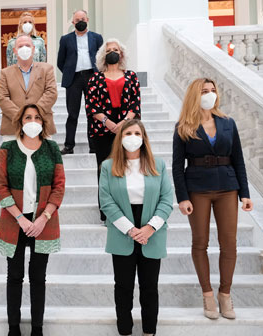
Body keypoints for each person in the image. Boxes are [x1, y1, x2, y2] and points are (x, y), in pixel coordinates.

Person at [172, 78, 254, 320]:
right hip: (197, 188)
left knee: (229, 243)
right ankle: (207, 295)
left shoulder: (228, 123)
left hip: (228, 187)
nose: (209, 94)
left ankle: (225, 295)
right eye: (204, 91)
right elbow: (178, 166)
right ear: (194, 96)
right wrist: (182, 197)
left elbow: (238, 159)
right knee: (200, 243)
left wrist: (245, 193)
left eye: (212, 90)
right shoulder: (183, 126)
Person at [0, 104, 65, 336]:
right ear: (20, 122)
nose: (32, 121)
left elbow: (58, 186)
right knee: (14, 276)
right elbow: (0, 187)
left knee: (38, 277)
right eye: (28, 117)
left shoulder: (52, 149)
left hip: (43, 221)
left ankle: (37, 329)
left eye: (36, 117)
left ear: (43, 123)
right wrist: (20, 219)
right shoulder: (8, 148)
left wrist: (44, 218)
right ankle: (13, 328)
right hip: (14, 220)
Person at [99, 119, 173, 336]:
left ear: (144, 138)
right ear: (120, 138)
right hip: (122, 230)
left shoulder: (157, 165)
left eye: (136, 133)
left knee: (150, 287)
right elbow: (106, 201)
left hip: (152, 230)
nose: (132, 137)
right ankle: (125, 331)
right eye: (127, 133)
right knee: (123, 287)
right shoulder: (107, 166)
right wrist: (130, 230)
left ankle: (149, 331)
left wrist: (150, 227)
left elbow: (167, 199)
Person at [85, 38, 141, 221]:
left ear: (121, 53)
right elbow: (91, 106)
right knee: (105, 170)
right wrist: (108, 122)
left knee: (127, 168)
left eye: (115, 49)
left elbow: (135, 103)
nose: (112, 53)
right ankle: (106, 212)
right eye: (109, 50)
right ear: (103, 55)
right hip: (102, 130)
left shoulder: (131, 76)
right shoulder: (95, 78)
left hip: (128, 131)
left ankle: (126, 208)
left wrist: (124, 123)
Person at [57, 9, 103, 154]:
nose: (80, 22)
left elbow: (102, 58)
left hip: (92, 77)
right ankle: (69, 146)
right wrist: (69, 72)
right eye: (77, 20)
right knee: (72, 114)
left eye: (83, 19)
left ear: (87, 19)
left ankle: (94, 146)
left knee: (93, 113)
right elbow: (60, 61)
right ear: (73, 22)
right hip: (74, 79)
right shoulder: (65, 39)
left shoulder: (97, 38)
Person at [0, 35, 57, 142]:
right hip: (13, 127)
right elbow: (3, 99)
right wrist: (22, 117)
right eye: (20, 46)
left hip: (42, 125)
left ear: (33, 49)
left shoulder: (47, 69)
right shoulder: (5, 73)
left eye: (27, 45)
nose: (24, 48)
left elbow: (51, 93)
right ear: (15, 51)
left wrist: (34, 115)